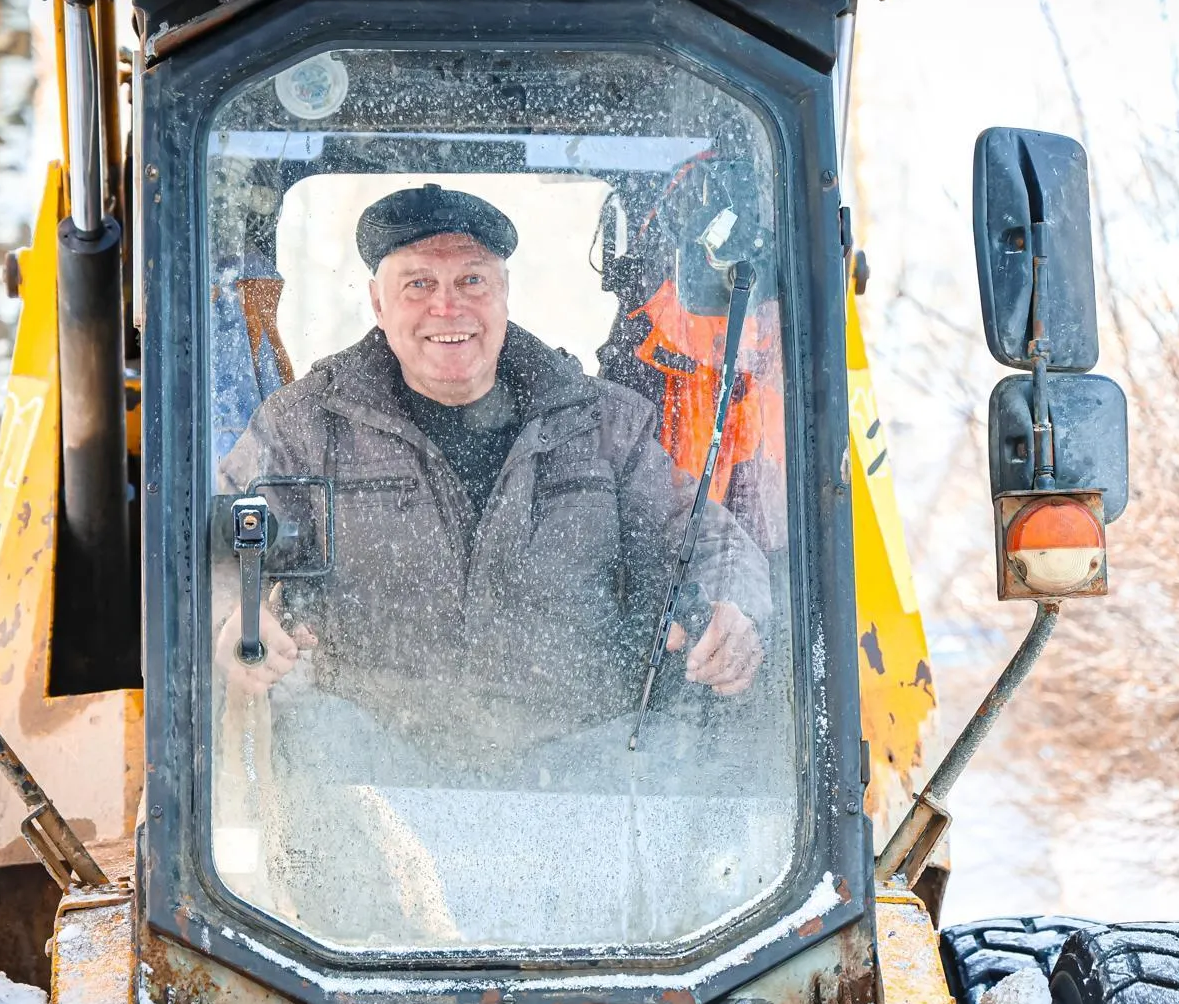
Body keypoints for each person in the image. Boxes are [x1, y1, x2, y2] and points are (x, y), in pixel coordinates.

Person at [215, 183, 772, 759]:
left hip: (580, 779)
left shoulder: (603, 425)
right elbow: (216, 546)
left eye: (472, 280)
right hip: (370, 780)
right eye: (418, 283)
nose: (447, 307)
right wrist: (230, 621)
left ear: (504, 293)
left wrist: (735, 609)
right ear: (379, 303)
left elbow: (709, 538)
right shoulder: (303, 427)